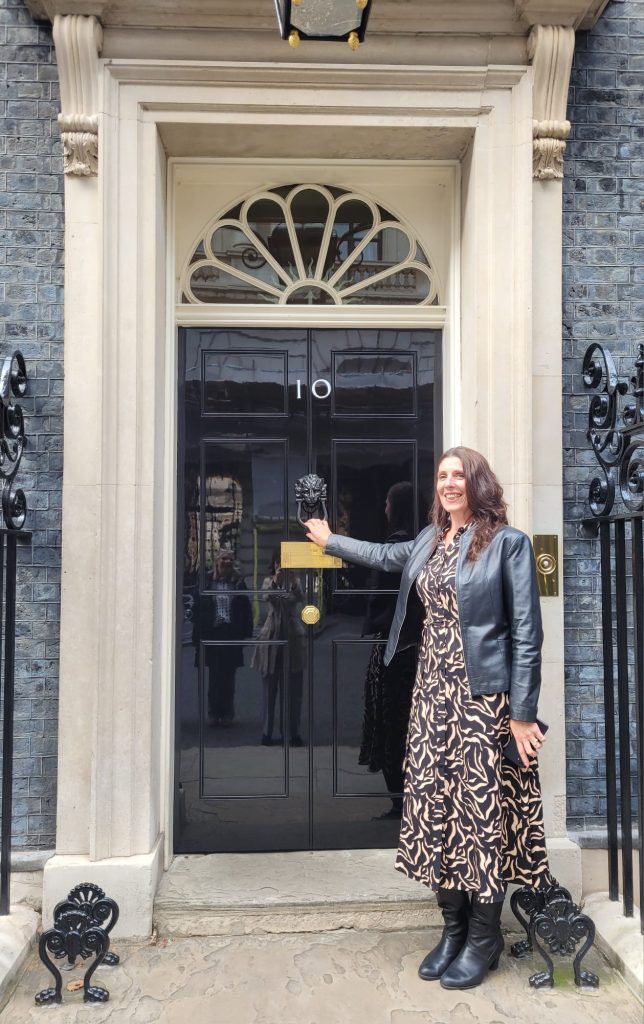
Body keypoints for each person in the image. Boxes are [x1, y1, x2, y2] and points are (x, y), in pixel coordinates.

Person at [305, 447, 551, 991]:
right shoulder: (427, 540)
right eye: (442, 477)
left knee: (479, 816)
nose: (449, 484)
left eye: (458, 475)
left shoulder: (508, 544)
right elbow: (382, 555)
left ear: (478, 483)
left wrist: (523, 715)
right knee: (435, 808)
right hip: (431, 694)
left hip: (484, 700)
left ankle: (484, 937)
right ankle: (452, 928)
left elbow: (528, 635)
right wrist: (330, 541)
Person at [359, 482, 417, 820]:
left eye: (387, 502)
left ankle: (400, 799)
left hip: (393, 648)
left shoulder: (400, 546)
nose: (383, 508)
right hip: (412, 649)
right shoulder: (421, 543)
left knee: (391, 722)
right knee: (405, 722)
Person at [193, 550, 253, 726]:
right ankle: (214, 713)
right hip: (212, 632)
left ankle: (227, 713)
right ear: (217, 561)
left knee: (229, 677)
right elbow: (197, 606)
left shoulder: (238, 583)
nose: (227, 562)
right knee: (214, 677)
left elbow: (245, 608)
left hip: (230, 632)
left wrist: (244, 633)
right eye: (223, 558)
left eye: (230, 559)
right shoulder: (207, 581)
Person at [251, 553, 305, 747]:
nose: (282, 566)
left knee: (293, 691)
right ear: (274, 565)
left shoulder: (296, 581)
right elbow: (268, 598)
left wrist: (291, 581)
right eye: (279, 563)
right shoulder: (268, 581)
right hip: (272, 636)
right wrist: (276, 581)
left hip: (292, 637)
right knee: (269, 690)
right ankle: (267, 732)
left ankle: (292, 733)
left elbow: (299, 597)